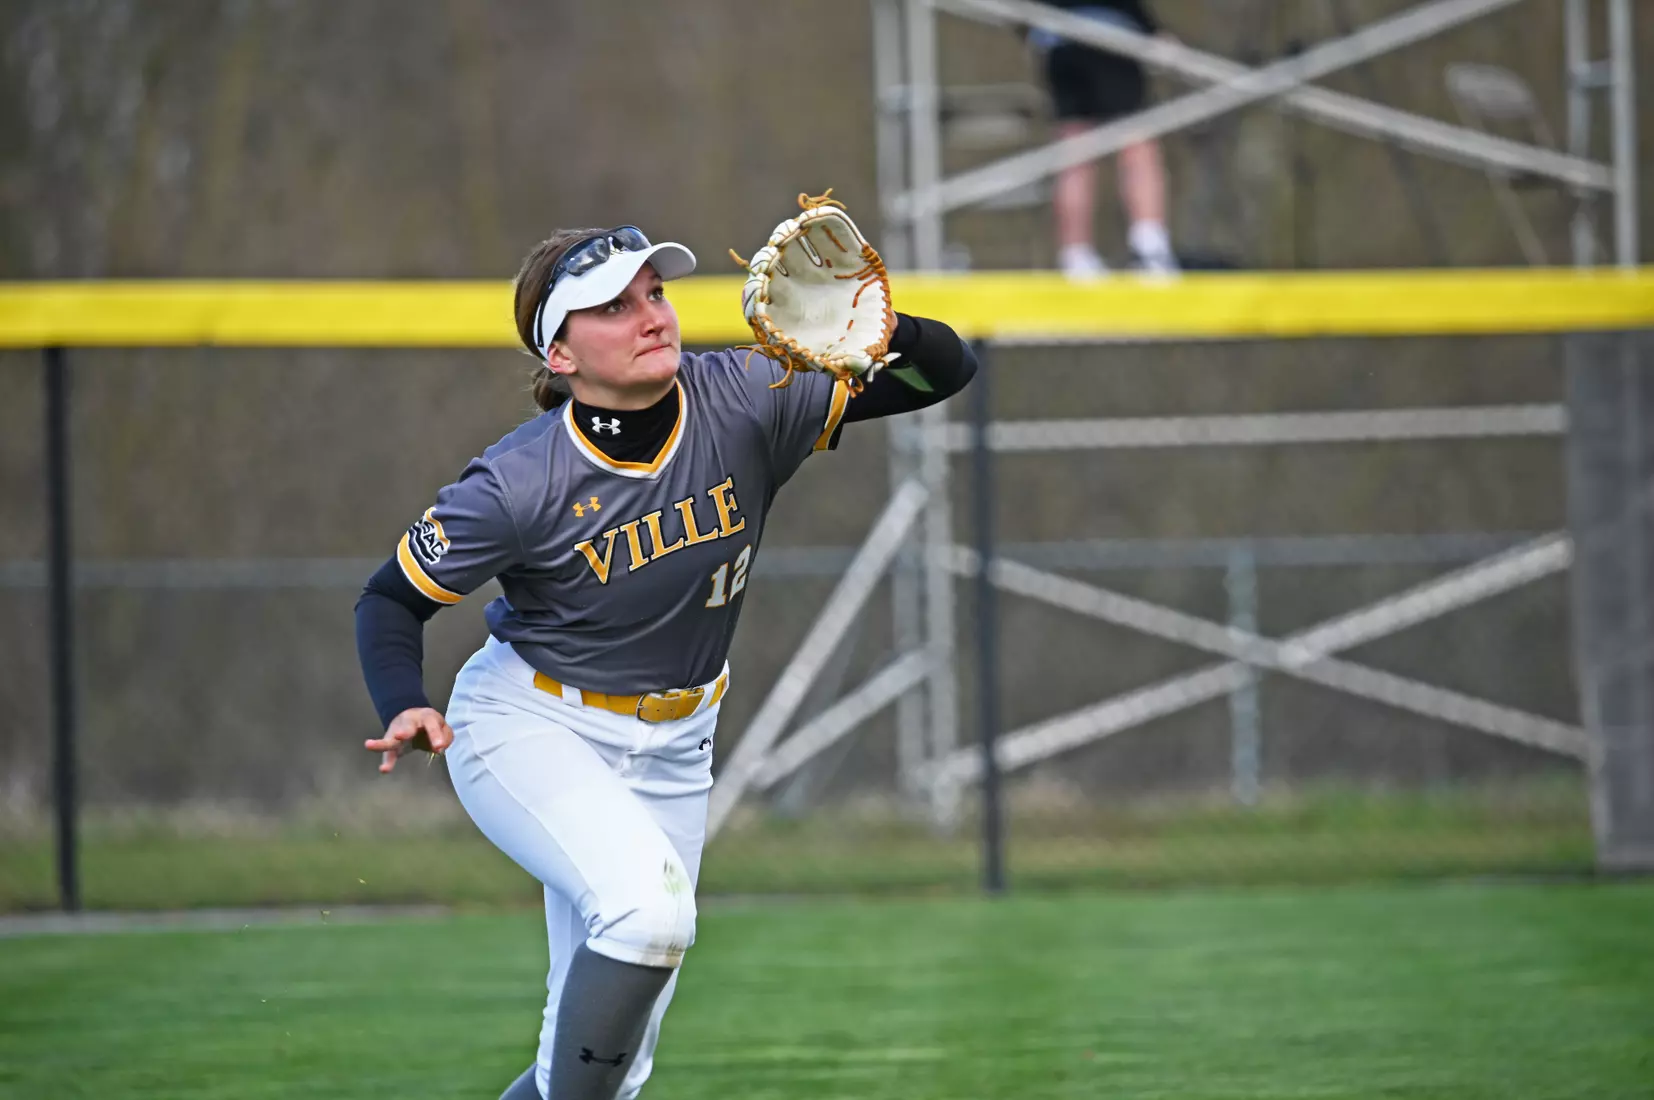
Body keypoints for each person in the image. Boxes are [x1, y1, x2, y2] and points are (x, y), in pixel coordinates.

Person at [353, 223, 976, 1100]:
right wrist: (403, 700)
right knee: (648, 919)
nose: (650, 316)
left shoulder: (745, 395)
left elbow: (943, 374)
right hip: (533, 722)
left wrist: (886, 329)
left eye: (654, 293)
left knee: (606, 1074)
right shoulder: (518, 483)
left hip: (679, 742)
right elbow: (390, 598)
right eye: (612, 307)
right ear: (559, 354)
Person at [1028, 0, 1179, 277]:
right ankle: (1150, 248)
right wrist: (1151, 29)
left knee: (1075, 151)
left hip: (1059, 43)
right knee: (1135, 143)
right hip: (1110, 38)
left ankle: (1076, 255)